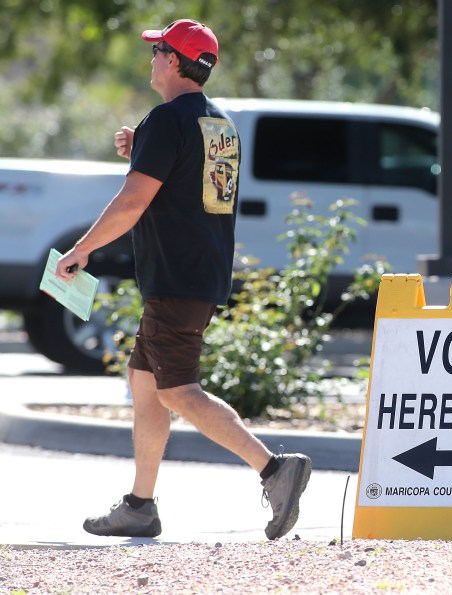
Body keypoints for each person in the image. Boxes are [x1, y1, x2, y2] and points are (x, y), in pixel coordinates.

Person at [56, 19, 312, 540]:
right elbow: (187, 175)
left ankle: (275, 470)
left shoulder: (166, 122)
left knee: (178, 391)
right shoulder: (218, 123)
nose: (151, 59)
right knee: (146, 385)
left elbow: (133, 201)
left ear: (174, 62)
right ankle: (140, 505)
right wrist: (143, 146)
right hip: (200, 274)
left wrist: (82, 250)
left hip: (174, 279)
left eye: (157, 52)